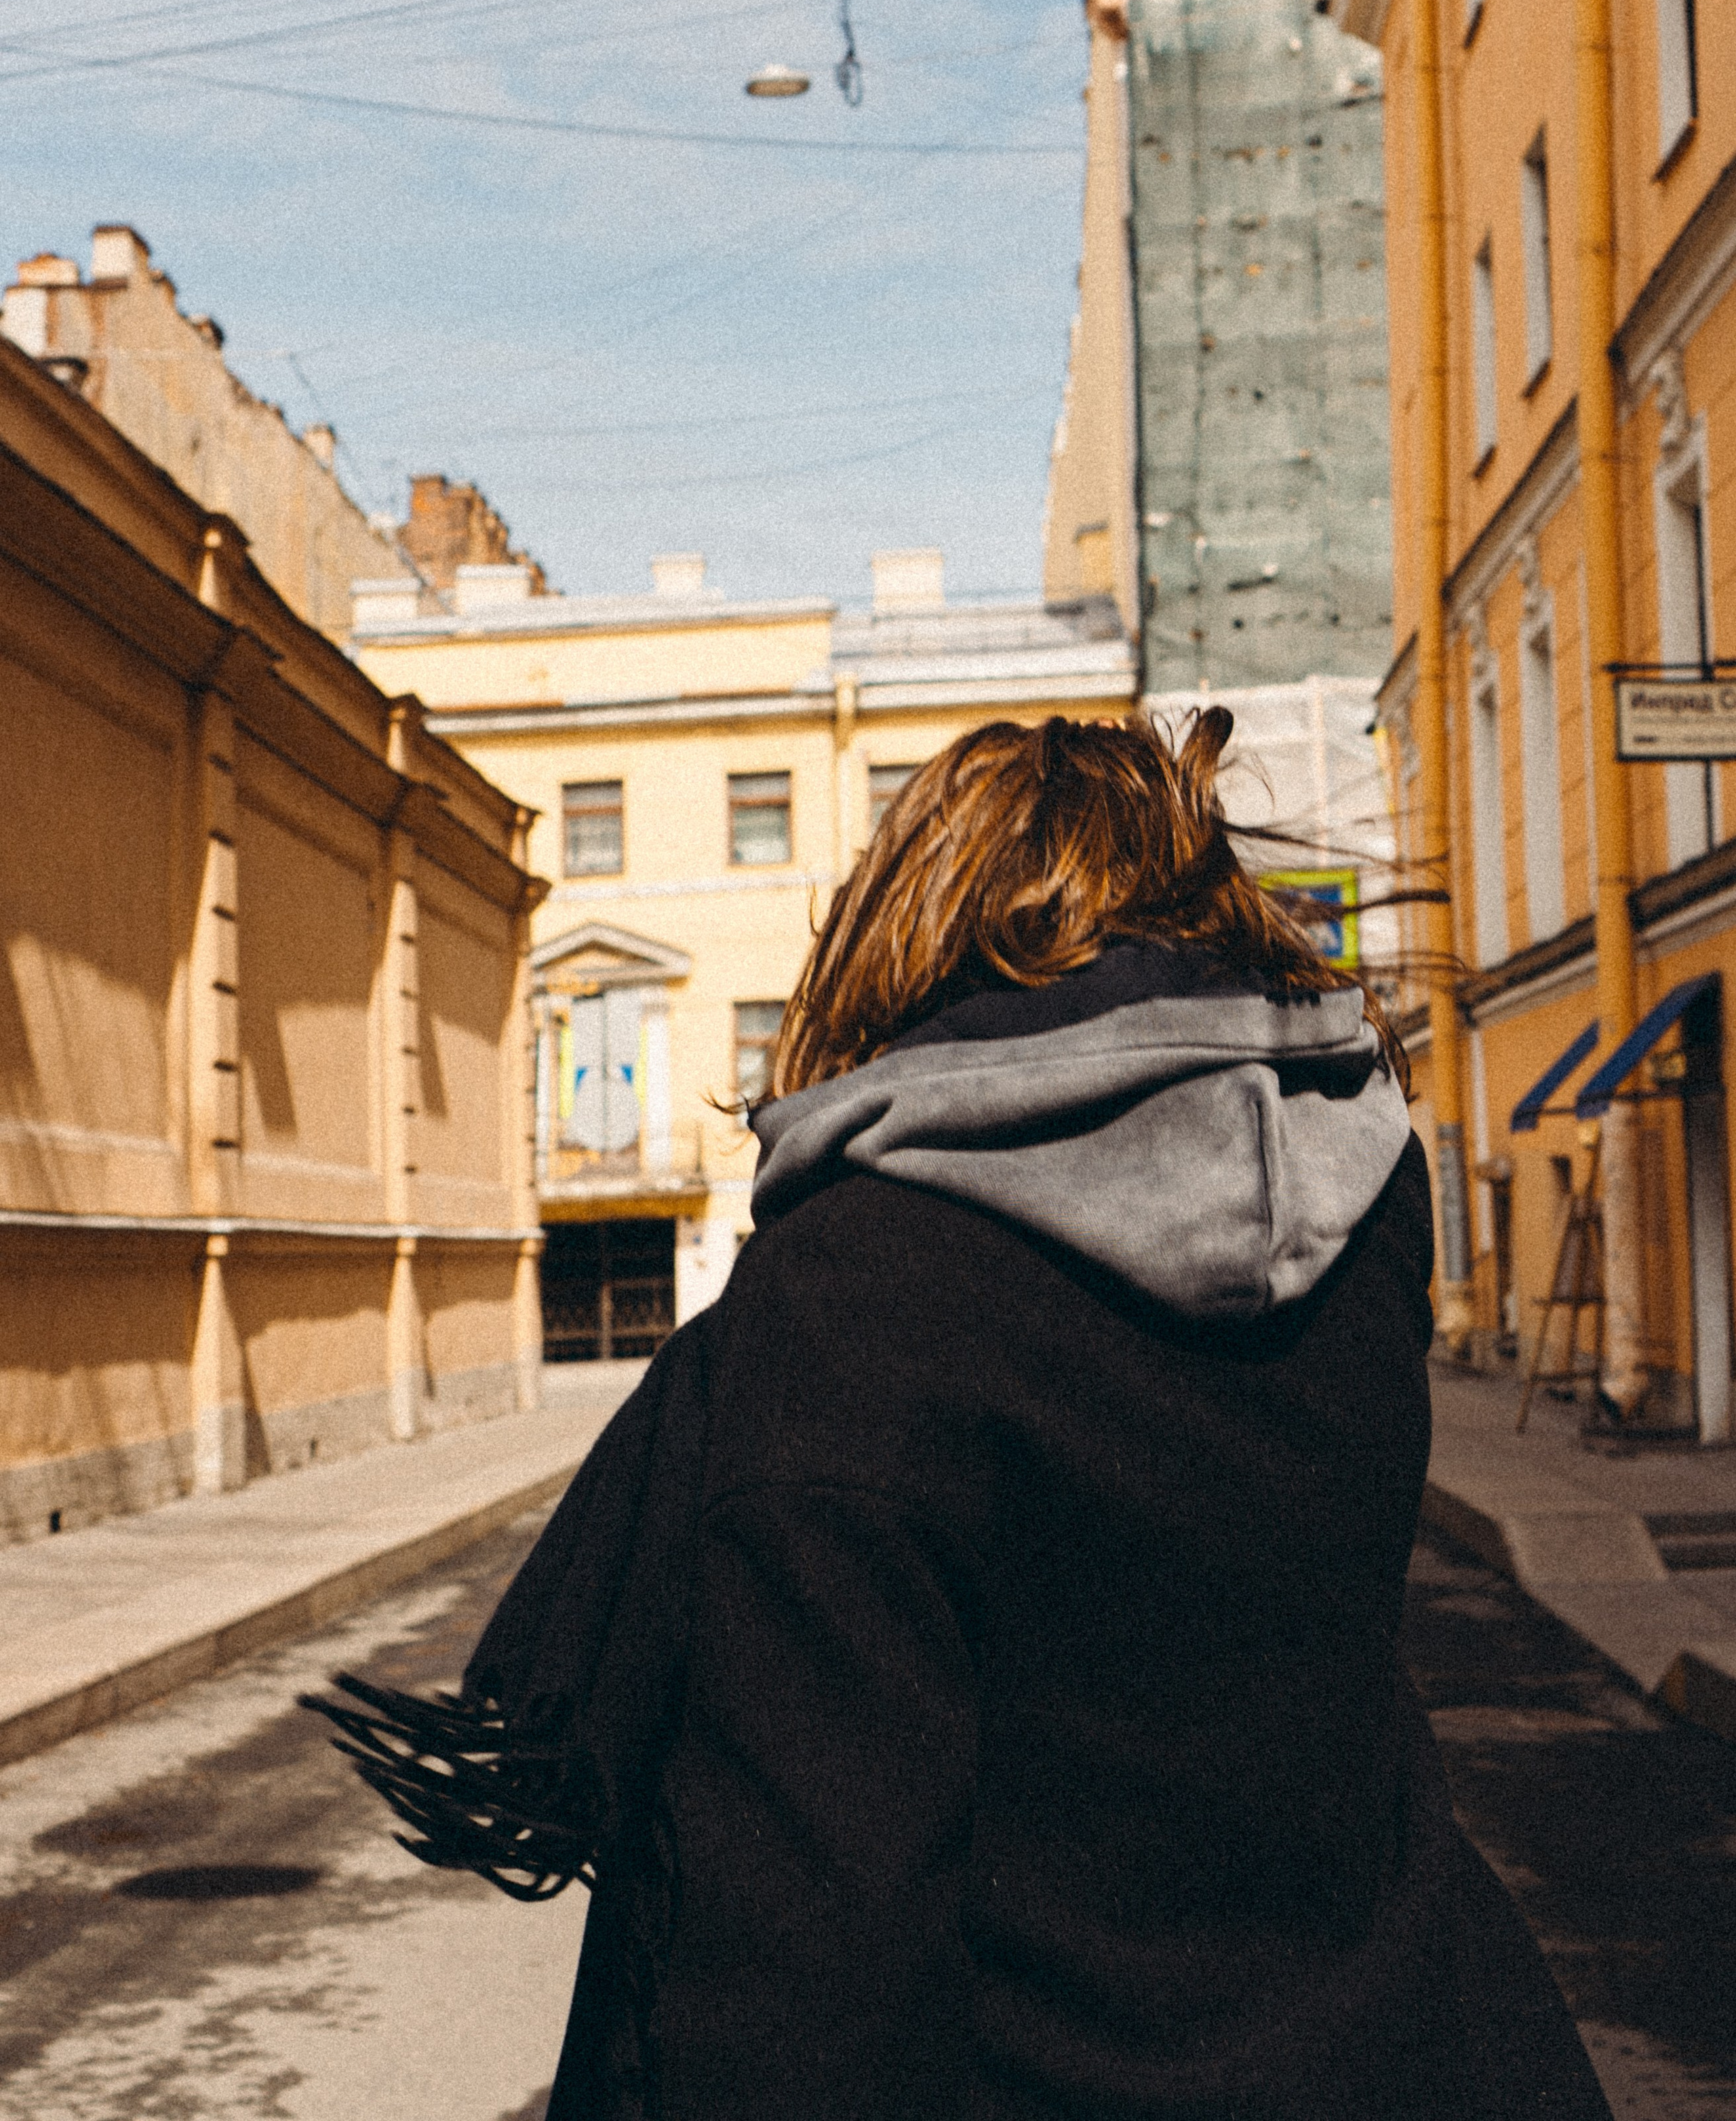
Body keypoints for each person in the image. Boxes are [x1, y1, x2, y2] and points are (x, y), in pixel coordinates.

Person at [313, 711, 1613, 2121]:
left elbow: (800, 1950)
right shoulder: (1360, 1218)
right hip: (1413, 2049)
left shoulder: (850, 1296)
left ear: (900, 924)